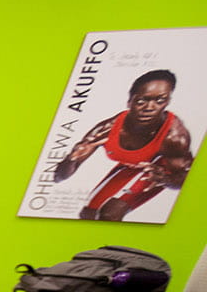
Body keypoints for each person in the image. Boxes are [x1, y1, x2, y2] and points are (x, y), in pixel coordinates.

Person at [53, 69, 194, 222]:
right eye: (142, 101)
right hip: (131, 167)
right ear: (129, 101)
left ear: (168, 101)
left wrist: (164, 179)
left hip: (159, 171)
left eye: (160, 101)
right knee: (88, 215)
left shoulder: (174, 137)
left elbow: (186, 180)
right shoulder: (105, 130)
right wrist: (72, 159)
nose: (149, 107)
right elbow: (59, 177)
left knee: (109, 214)